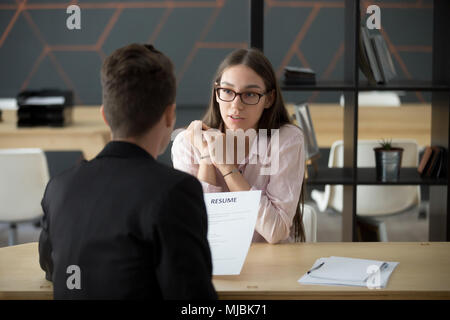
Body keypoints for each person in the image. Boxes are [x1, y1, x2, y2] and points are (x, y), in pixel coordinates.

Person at [38, 44, 217, 300]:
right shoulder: (176, 191)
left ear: (105, 116)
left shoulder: (58, 187)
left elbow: (51, 268)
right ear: (169, 116)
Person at [171, 48, 306, 244]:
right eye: (227, 91)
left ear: (268, 99)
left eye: (250, 94)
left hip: (272, 265)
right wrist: (207, 159)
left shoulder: (286, 139)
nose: (236, 105)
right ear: (217, 93)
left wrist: (226, 166)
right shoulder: (187, 144)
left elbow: (275, 231)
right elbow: (199, 230)